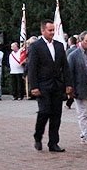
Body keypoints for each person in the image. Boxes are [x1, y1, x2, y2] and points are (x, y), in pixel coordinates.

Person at [27, 20, 68, 152]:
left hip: (57, 85)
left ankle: (53, 143)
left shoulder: (59, 46)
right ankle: (38, 137)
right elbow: (32, 68)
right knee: (44, 112)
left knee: (56, 115)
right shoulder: (36, 46)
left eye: (53, 30)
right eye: (49, 30)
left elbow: (65, 67)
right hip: (43, 85)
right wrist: (33, 86)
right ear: (43, 31)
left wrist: (68, 84)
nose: (52, 33)